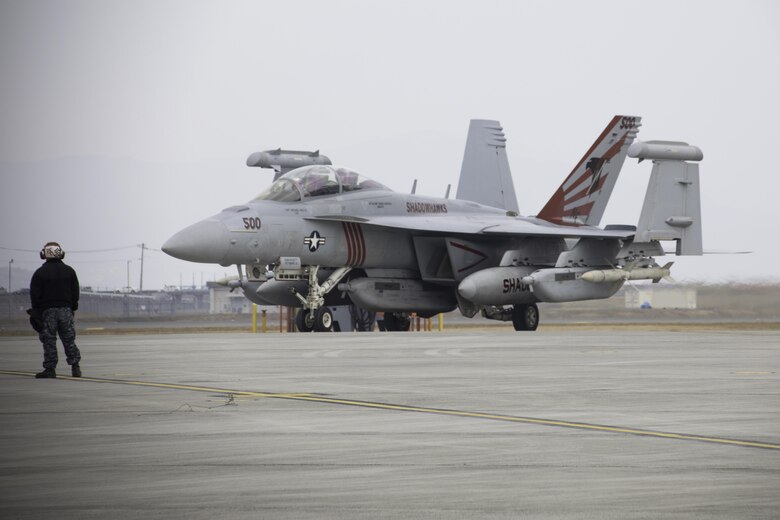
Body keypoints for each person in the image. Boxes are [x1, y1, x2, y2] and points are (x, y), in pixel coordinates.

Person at [29, 242, 81, 378]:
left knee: (49, 340)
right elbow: (75, 291)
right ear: (60, 254)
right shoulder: (70, 271)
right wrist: (73, 307)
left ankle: (50, 369)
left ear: (44, 254)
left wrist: (36, 312)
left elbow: (35, 295)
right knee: (69, 339)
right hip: (66, 310)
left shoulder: (40, 273)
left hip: (48, 311)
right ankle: (75, 367)